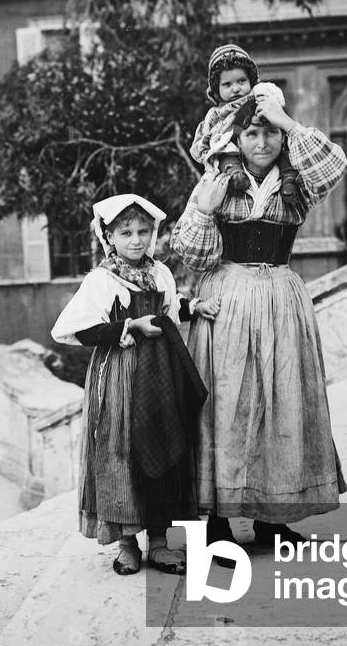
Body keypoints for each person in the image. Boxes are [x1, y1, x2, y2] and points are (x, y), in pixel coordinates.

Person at [170, 88, 347, 551]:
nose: (263, 142)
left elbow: (336, 166)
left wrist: (288, 122)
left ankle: (274, 517)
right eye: (252, 132)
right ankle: (216, 526)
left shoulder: (300, 179)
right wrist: (206, 211)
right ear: (237, 138)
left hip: (281, 298)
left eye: (270, 132)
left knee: (282, 399)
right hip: (227, 297)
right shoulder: (215, 180)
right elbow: (191, 254)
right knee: (226, 404)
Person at [51, 194, 220, 575]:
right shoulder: (101, 280)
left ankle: (161, 543)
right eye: (126, 232)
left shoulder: (160, 273)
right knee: (123, 451)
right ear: (108, 237)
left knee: (166, 448)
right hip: (121, 374)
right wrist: (126, 327)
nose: (137, 240)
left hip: (162, 372)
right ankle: (127, 543)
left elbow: (170, 310)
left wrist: (193, 307)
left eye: (144, 231)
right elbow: (72, 329)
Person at [190, 44, 300, 206]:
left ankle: (289, 181)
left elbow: (276, 99)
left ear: (252, 81)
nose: (236, 89)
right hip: (231, 147)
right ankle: (236, 175)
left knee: (284, 153)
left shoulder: (257, 98)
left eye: (242, 81)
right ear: (216, 90)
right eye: (227, 85)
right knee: (225, 156)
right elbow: (204, 136)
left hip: (262, 151)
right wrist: (211, 143)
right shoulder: (217, 113)